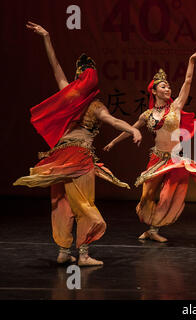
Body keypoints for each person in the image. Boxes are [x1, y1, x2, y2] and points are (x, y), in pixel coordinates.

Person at [14, 22, 142, 266]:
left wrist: (47, 37)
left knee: (61, 203)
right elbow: (113, 121)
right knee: (83, 202)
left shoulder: (69, 96)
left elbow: (56, 68)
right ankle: (83, 254)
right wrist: (133, 129)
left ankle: (63, 251)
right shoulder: (94, 106)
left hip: (59, 156)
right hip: (79, 158)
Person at [104, 48, 196, 243]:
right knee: (147, 196)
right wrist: (113, 142)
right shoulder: (147, 115)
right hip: (156, 158)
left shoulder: (176, 106)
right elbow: (130, 129)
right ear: (154, 91)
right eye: (163, 86)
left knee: (168, 195)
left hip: (174, 158)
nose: (168, 89)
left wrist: (191, 61)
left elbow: (188, 81)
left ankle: (154, 229)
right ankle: (150, 227)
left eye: (169, 86)